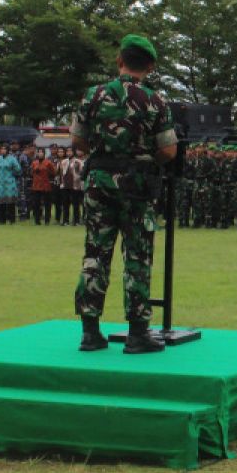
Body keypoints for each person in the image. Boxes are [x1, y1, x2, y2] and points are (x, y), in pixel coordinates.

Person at [71, 34, 177, 353]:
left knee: (95, 253)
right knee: (137, 256)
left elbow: (77, 140)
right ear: (151, 66)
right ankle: (138, 333)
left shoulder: (93, 95)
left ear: (120, 60)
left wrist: (104, 157)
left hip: (99, 183)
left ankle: (90, 332)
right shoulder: (155, 100)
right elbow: (169, 149)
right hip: (137, 188)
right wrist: (143, 162)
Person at [0, 143, 22, 223]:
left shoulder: (12, 159)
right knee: (1, 202)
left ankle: (11, 219)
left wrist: (11, 174)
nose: (3, 150)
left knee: (10, 202)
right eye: (2, 149)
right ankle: (1, 220)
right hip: (0, 183)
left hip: (9, 183)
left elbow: (18, 170)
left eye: (5, 149)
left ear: (8, 150)